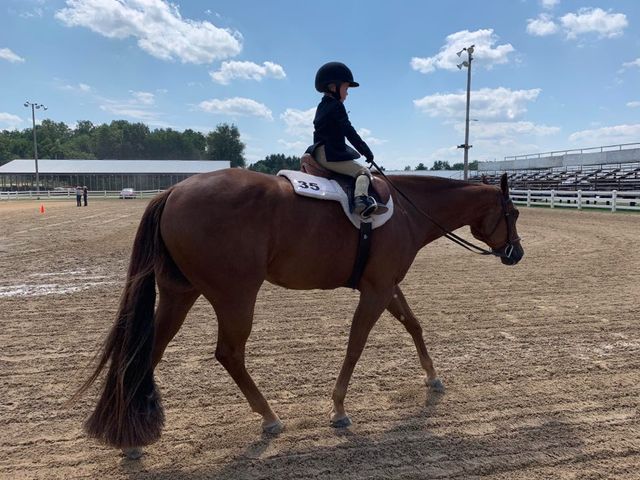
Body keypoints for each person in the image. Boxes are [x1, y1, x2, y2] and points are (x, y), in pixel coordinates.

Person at [309, 62, 377, 218]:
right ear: (333, 88)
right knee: (363, 171)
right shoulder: (336, 106)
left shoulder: (321, 106)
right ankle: (361, 200)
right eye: (346, 88)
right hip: (330, 154)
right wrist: (366, 151)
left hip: (317, 152)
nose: (347, 93)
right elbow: (349, 131)